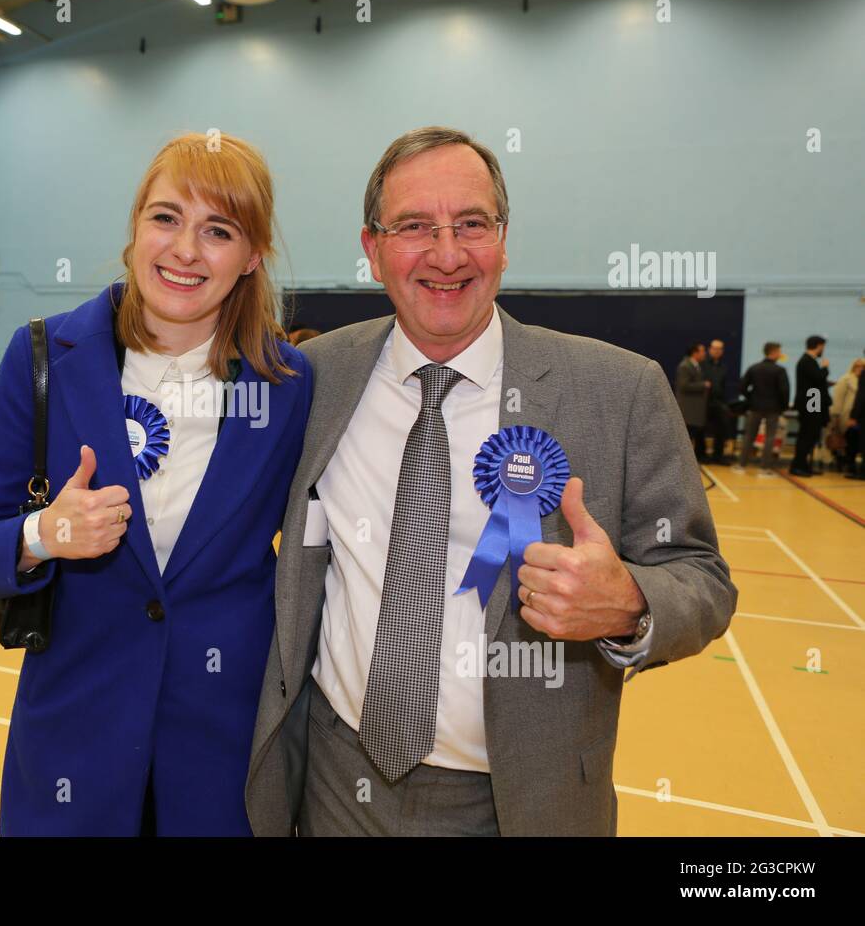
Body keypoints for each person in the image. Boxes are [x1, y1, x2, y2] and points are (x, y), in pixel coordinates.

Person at [244, 126, 736, 837]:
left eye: (471, 224)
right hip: (331, 783)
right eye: (414, 227)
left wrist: (630, 603)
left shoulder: (619, 391)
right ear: (372, 247)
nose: (447, 255)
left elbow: (703, 578)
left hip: (520, 803)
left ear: (503, 240)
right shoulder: (319, 374)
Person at [0, 132, 312, 836]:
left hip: (220, 753)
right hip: (74, 741)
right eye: (165, 218)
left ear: (252, 256)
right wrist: (41, 534)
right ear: (136, 225)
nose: (184, 250)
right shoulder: (46, 357)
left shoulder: (285, 385)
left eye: (218, 230)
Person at [736, 342, 790, 476]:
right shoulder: (779, 370)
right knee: (770, 437)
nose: (780, 354)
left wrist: (751, 398)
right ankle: (764, 468)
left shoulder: (754, 368)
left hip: (755, 407)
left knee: (749, 436)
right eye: (778, 351)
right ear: (773, 352)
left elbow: (742, 387)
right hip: (773, 408)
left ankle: (741, 465)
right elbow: (785, 391)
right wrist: (782, 406)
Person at [791, 335, 831, 477]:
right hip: (810, 402)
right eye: (822, 347)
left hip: (812, 401)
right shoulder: (807, 361)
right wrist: (825, 369)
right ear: (818, 346)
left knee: (811, 435)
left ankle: (803, 465)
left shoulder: (809, 361)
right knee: (807, 435)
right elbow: (818, 378)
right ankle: (798, 466)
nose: (823, 350)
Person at [675, 342, 709, 462]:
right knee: (686, 436)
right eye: (702, 351)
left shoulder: (697, 366)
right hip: (688, 408)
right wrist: (703, 385)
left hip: (695, 408)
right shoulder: (685, 366)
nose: (705, 353)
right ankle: (683, 460)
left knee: (694, 434)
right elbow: (683, 385)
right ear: (695, 353)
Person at [829, 359, 863, 475]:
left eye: (862, 366)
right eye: (858, 366)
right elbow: (838, 400)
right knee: (851, 441)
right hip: (847, 417)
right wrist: (836, 417)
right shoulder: (846, 380)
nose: (860, 368)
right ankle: (850, 464)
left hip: (860, 418)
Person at [701, 339, 730, 462]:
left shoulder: (723, 367)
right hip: (704, 402)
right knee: (701, 430)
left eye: (720, 349)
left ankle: (718, 455)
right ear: (710, 349)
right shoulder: (702, 365)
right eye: (715, 348)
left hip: (719, 402)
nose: (717, 351)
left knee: (721, 429)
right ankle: (702, 455)